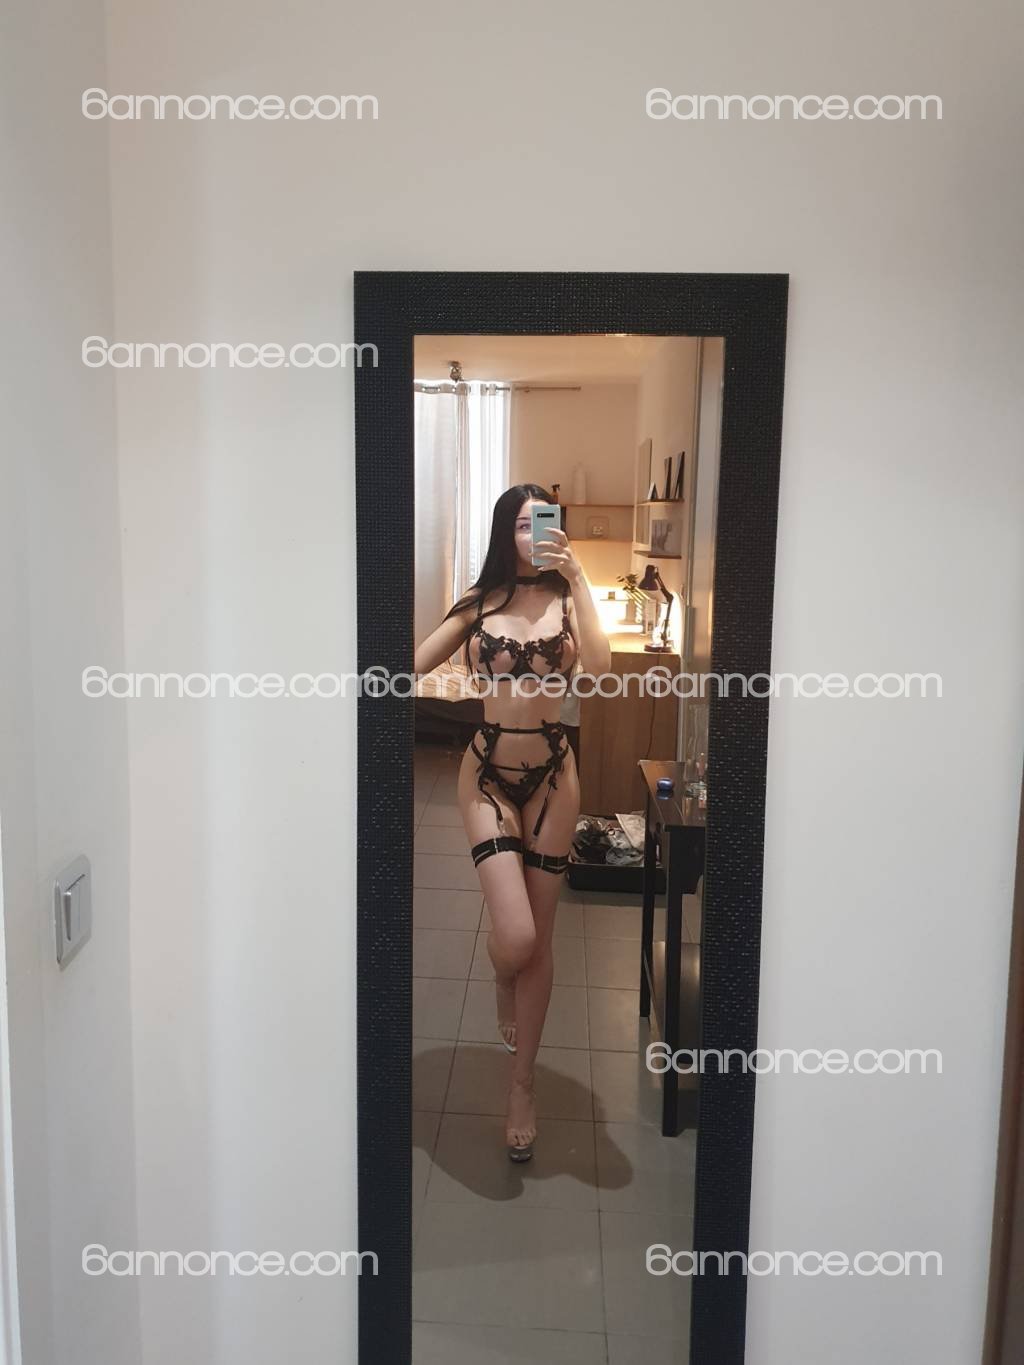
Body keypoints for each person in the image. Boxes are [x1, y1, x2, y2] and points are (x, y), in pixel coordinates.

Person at [414, 484, 610, 1160]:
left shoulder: (568, 600)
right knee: (518, 936)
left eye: (544, 523)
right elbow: (411, 664)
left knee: (541, 937)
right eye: (523, 525)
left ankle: (522, 1085)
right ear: (505, 532)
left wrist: (578, 575)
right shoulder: (480, 602)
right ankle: (504, 971)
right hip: (488, 772)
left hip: (554, 775)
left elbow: (602, 667)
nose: (534, 536)